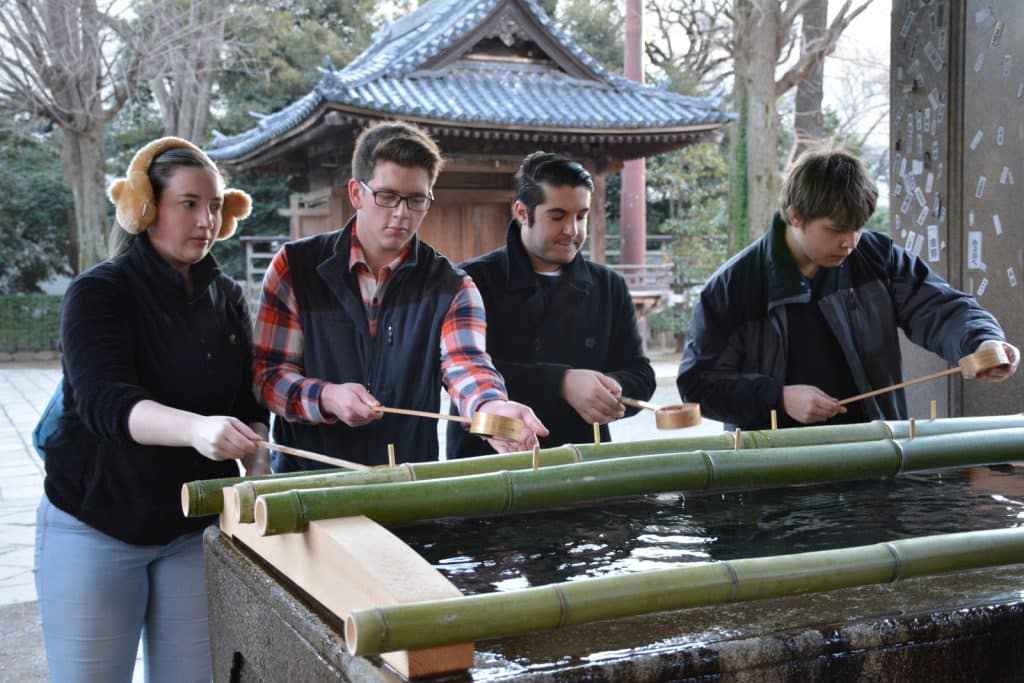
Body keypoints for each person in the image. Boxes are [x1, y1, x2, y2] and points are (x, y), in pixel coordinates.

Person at [35, 137, 269, 682]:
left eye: (214, 206)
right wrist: (196, 430)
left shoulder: (227, 295)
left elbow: (244, 400)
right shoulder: (98, 292)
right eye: (188, 203)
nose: (206, 219)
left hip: (191, 528)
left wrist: (256, 453)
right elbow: (103, 404)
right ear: (145, 207)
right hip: (97, 522)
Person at [253, 121, 547, 471]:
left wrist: (491, 409)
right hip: (305, 481)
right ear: (356, 193)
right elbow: (267, 376)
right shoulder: (296, 268)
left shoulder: (452, 287)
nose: (401, 214)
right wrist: (327, 396)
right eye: (388, 196)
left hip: (406, 482)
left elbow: (467, 365)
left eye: (416, 200)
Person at [677, 148, 1020, 431]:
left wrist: (981, 340)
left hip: (877, 452)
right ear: (795, 216)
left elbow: (941, 307)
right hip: (774, 472)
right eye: (837, 230)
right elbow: (697, 386)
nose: (850, 242)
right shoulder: (733, 287)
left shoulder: (876, 256)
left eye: (858, 228)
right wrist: (778, 398)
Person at [447, 151, 656, 457]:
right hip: (491, 457)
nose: (572, 230)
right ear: (521, 212)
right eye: (558, 216)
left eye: (581, 216)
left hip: (582, 457)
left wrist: (610, 387)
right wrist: (561, 382)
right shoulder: (473, 280)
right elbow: (458, 370)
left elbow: (641, 373)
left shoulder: (609, 285)